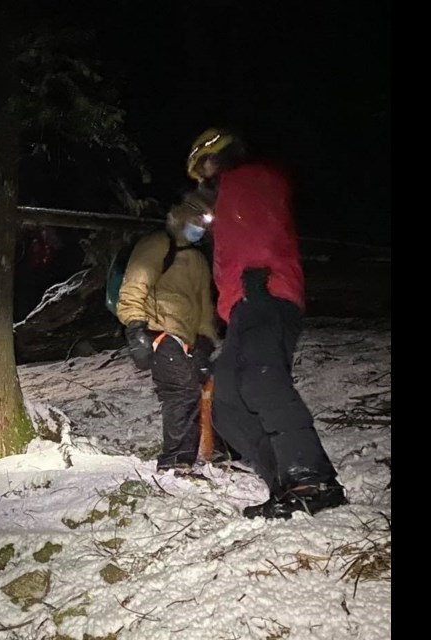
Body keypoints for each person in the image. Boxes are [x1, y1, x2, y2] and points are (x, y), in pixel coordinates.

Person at [186, 127, 347, 519]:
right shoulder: (227, 196)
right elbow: (199, 232)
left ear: (220, 155)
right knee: (226, 404)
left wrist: (214, 198)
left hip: (266, 290)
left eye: (206, 165)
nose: (204, 175)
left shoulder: (255, 177)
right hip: (243, 303)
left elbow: (266, 203)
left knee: (262, 380)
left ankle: (314, 479)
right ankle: (285, 483)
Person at [116, 202, 220, 469]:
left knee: (194, 392)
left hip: (188, 339)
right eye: (195, 221)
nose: (199, 228)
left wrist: (205, 341)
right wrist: (135, 328)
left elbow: (204, 305)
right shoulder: (158, 245)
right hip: (158, 329)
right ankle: (174, 461)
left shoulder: (197, 259)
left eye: (203, 223)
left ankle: (185, 459)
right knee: (181, 391)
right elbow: (134, 285)